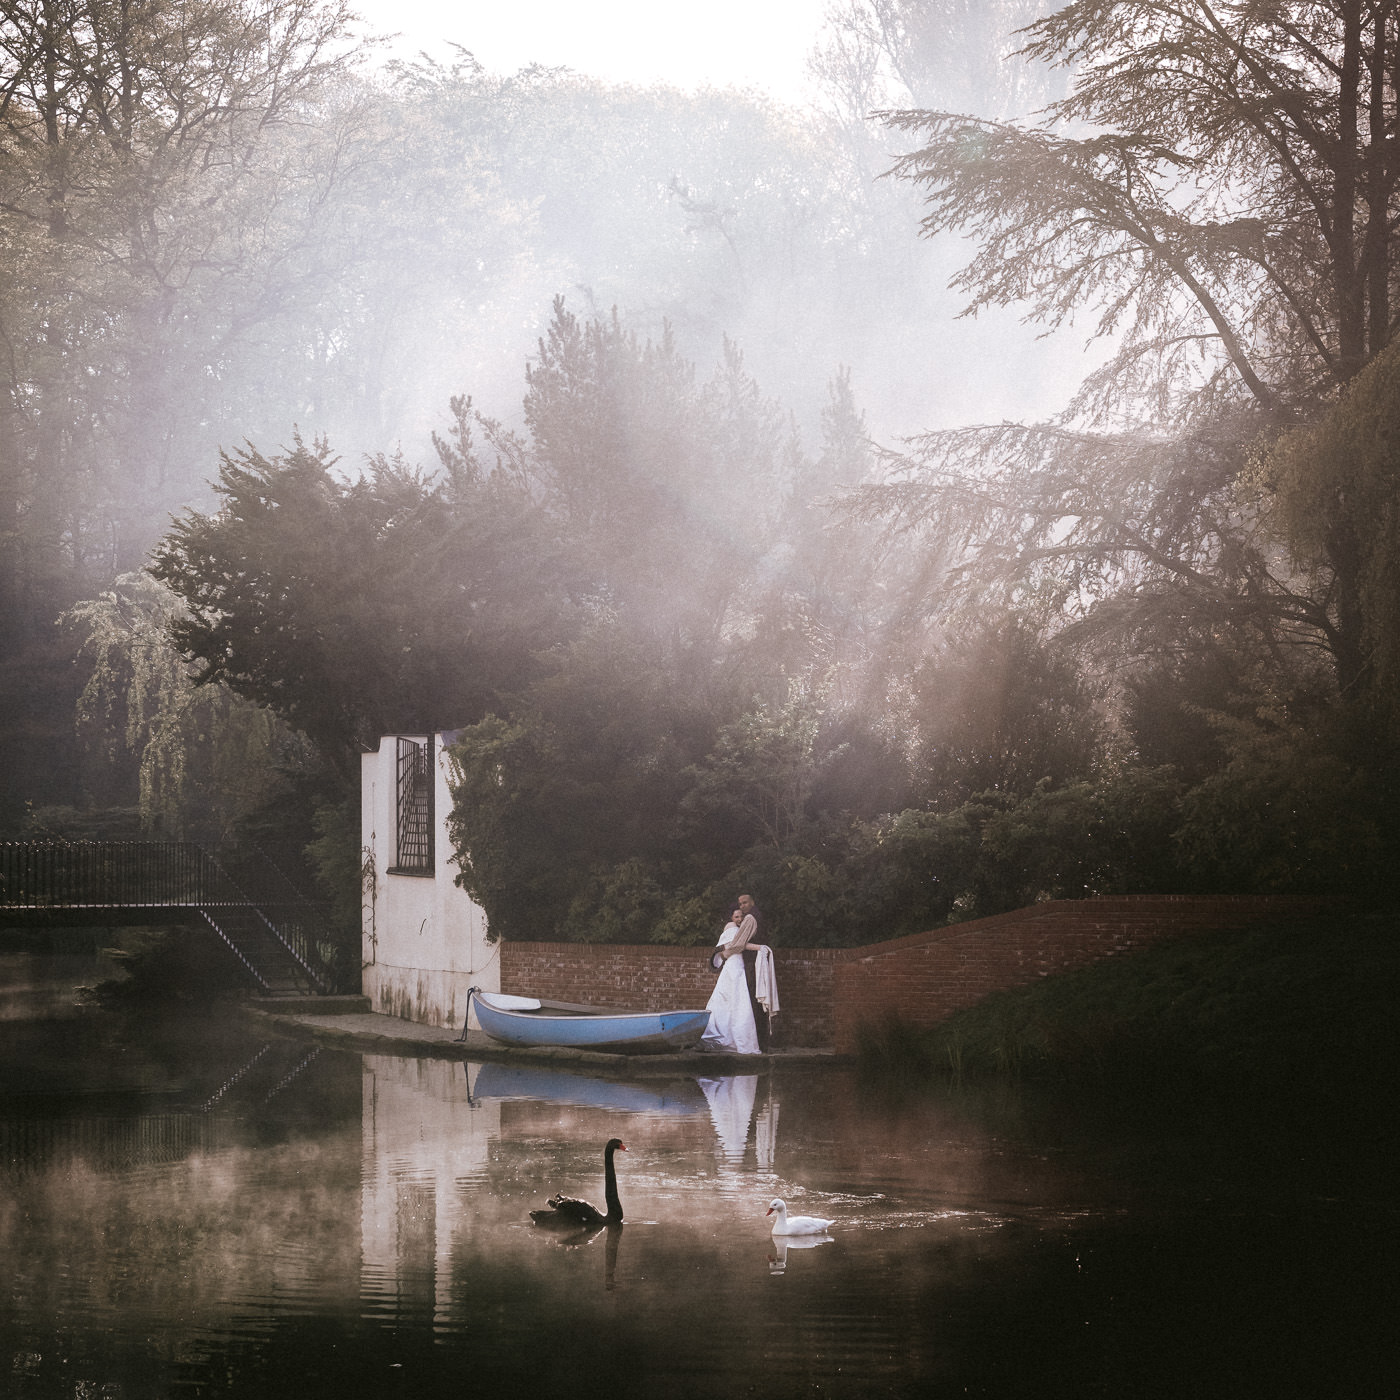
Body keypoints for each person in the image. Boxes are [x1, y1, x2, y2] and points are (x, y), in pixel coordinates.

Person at [701, 910, 760, 1054]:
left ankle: (732, 1038)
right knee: (731, 998)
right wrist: (760, 947)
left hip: (738, 965)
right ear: (732, 918)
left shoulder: (741, 930)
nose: (739, 919)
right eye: (737, 916)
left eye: (741, 916)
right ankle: (726, 1037)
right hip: (733, 965)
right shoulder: (731, 926)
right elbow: (737, 945)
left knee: (735, 1000)